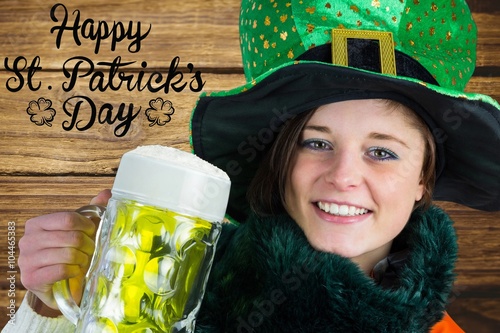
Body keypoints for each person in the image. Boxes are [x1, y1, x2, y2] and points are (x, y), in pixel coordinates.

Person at [4, 0, 500, 332]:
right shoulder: (163, 276)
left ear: (422, 181)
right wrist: (54, 304)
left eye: (383, 151)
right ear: (279, 160)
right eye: (316, 143)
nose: (344, 176)